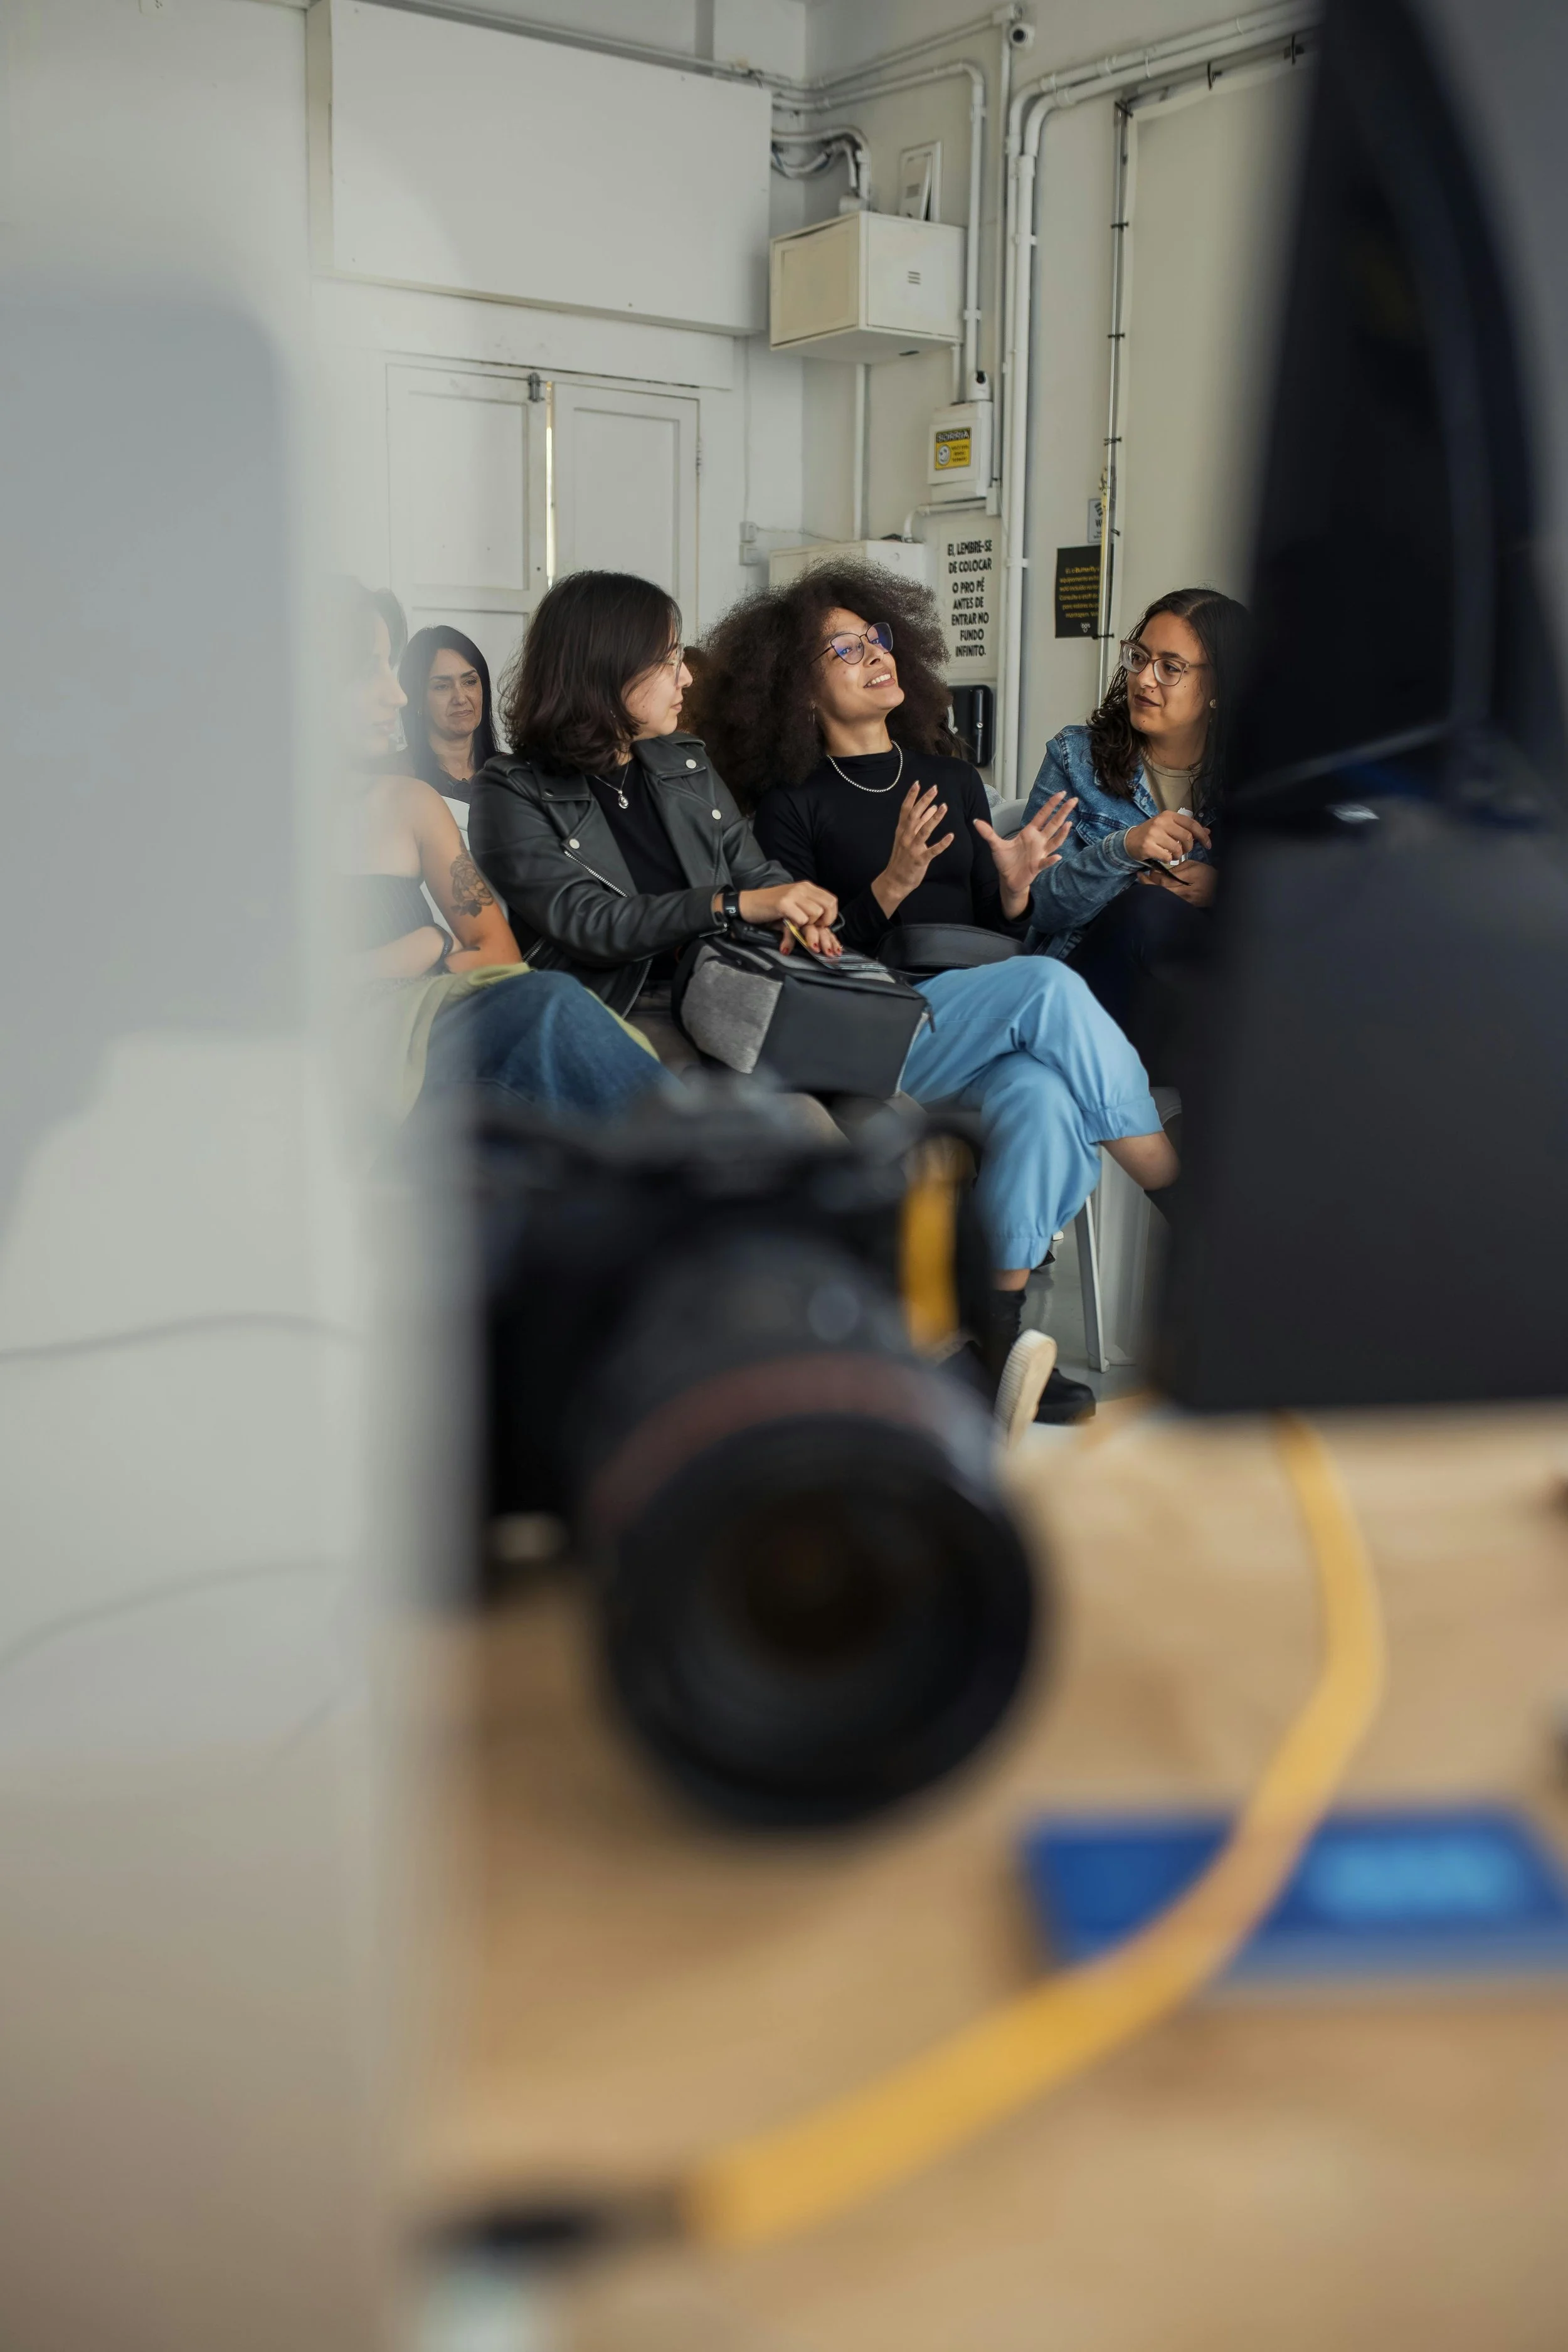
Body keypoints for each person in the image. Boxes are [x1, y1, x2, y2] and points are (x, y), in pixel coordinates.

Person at [690, 562, 1179, 1422]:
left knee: (1042, 1096)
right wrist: (889, 884)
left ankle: (989, 1344)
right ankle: (1185, 1195)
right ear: (798, 690)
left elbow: (1001, 931)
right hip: (876, 1021)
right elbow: (808, 954)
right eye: (844, 648)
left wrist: (1019, 883)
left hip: (972, 1013)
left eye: (877, 636)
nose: (874, 654)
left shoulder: (950, 778)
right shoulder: (788, 808)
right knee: (1048, 988)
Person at [467, 569, 842, 1069]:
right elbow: (589, 923)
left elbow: (755, 874)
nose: (686, 677)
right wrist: (730, 905)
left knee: (884, 1111)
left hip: (724, 987)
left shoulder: (685, 761)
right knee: (792, 1126)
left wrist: (798, 916)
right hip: (623, 1010)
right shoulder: (510, 790)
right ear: (606, 671)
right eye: (669, 661)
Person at [334, 580, 667, 1132]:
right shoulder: (235, 829)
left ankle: (725, 1159)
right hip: (374, 1037)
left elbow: (499, 952)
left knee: (549, 1007)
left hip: (448, 1010)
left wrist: (433, 949)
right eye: (368, 668)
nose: (395, 695)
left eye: (391, 667)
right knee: (545, 1011)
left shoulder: (413, 801)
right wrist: (424, 943)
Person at [1022, 587, 1249, 1069]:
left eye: (1171, 667)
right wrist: (1122, 850)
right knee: (1146, 906)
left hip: (1196, 1014)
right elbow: (1039, 903)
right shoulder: (1074, 758)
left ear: (1220, 688)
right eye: (1139, 658)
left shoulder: (1256, 783)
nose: (1144, 679)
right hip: (1090, 989)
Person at [396, 624, 500, 840]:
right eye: (442, 686)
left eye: (470, 682)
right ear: (417, 700)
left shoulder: (516, 776)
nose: (461, 698)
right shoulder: (395, 778)